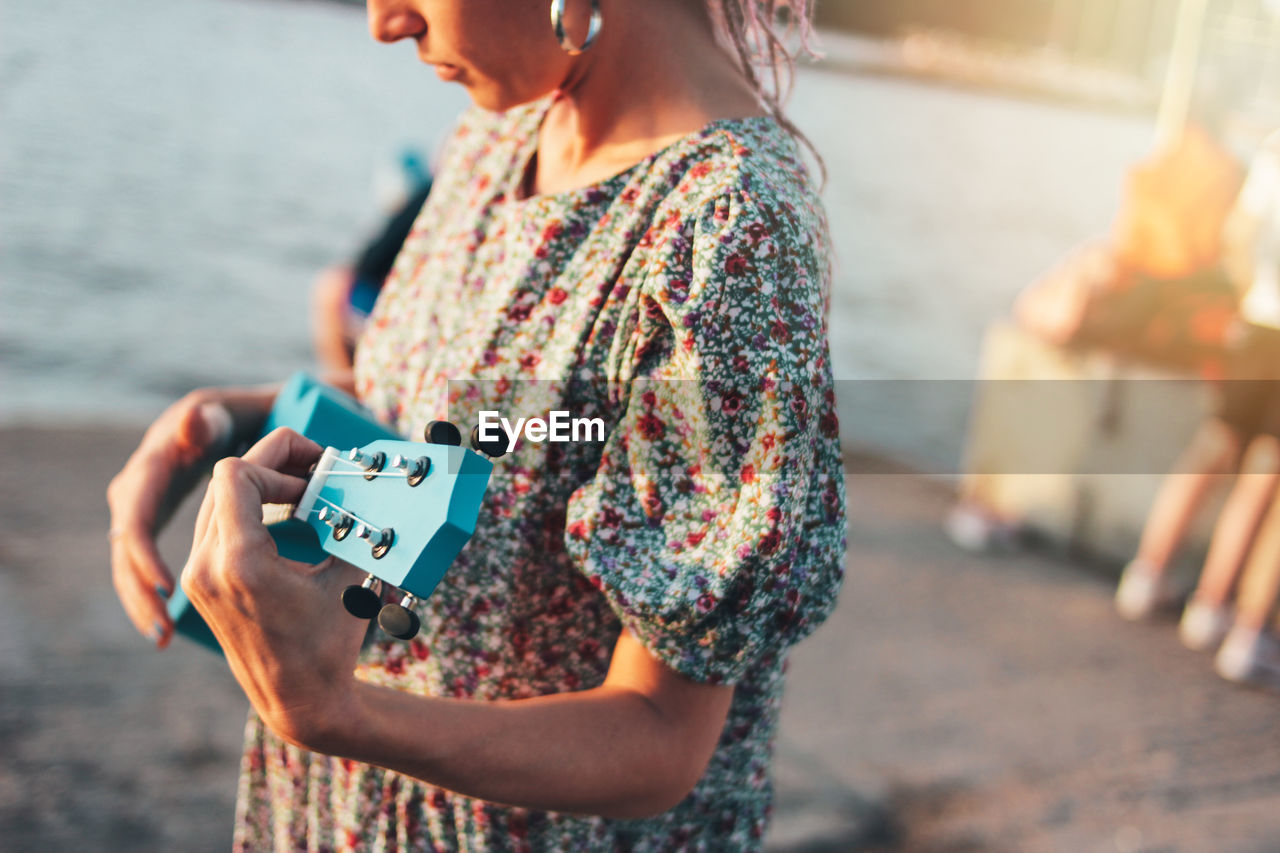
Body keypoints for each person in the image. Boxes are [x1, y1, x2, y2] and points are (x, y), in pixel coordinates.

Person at [105, 0, 847, 849]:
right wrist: (222, 417)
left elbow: (661, 737)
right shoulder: (504, 130)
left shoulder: (733, 234)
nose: (386, 23)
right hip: (358, 808)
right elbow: (472, 403)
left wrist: (337, 711)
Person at [1116, 130, 1280, 661]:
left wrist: (1249, 290)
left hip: (1258, 320)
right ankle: (1248, 632)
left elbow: (1238, 235)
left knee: (1217, 443)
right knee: (1270, 475)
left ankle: (1154, 579)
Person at [312, 154, 433, 373]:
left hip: (409, 313)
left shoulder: (433, 192)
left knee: (330, 286)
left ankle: (346, 386)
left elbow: (366, 267)